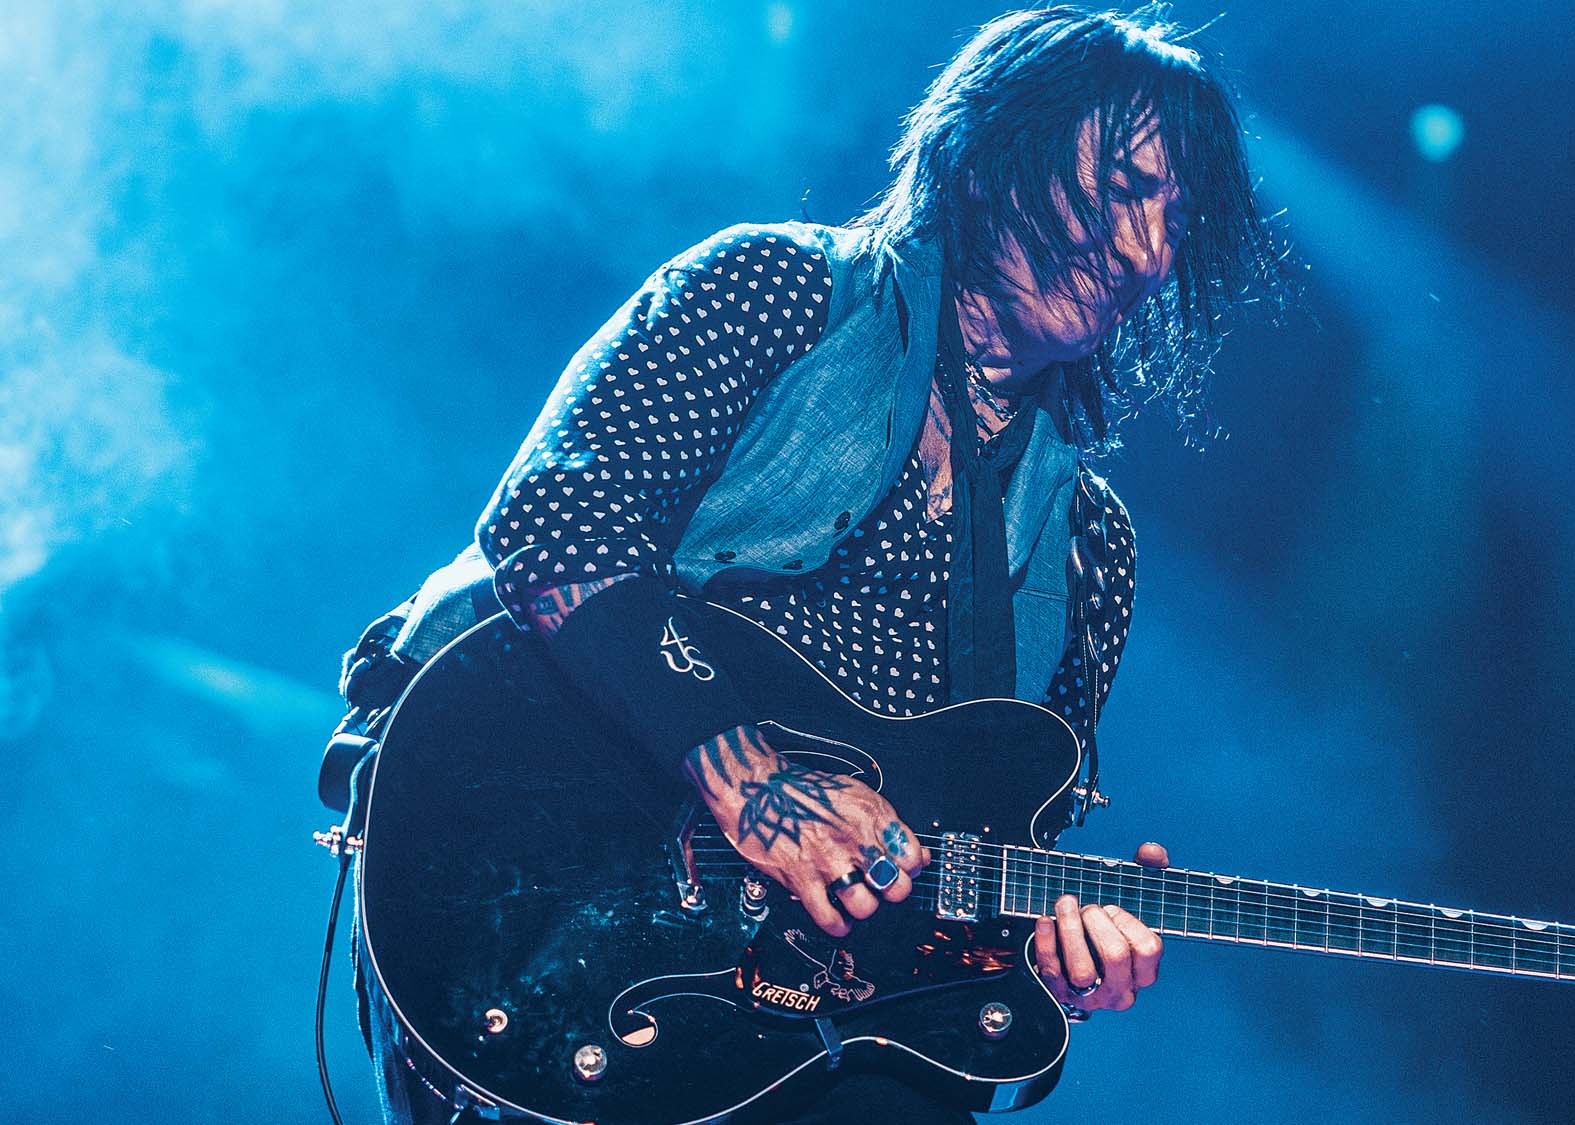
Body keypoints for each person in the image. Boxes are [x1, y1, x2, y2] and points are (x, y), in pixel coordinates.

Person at [346, 5, 1281, 1122]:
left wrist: (1058, 952)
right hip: (552, 904)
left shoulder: (1092, 549)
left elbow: (978, 876)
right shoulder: (775, 296)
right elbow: (558, 521)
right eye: (1127, 190)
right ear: (988, 157)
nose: (1146, 254)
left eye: (1176, 221)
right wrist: (743, 781)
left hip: (828, 1031)